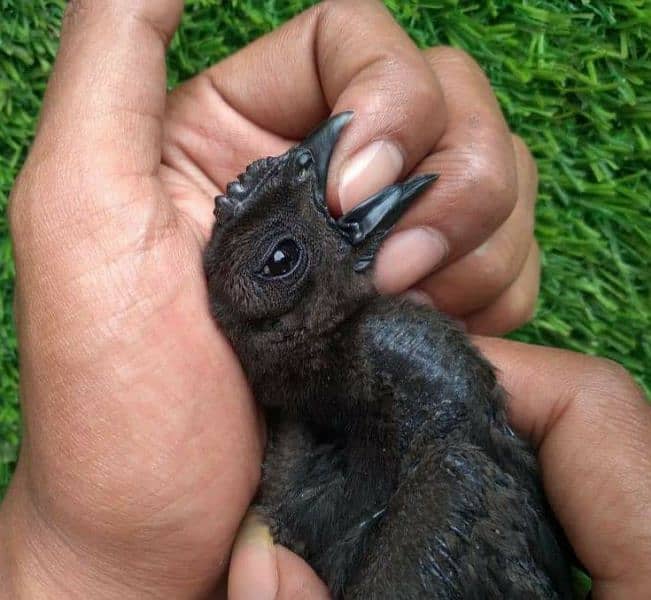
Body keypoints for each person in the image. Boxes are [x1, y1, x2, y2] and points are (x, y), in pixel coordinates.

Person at [0, 1, 648, 598]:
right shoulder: (355, 412)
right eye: (283, 260)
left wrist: (72, 570)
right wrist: (78, 564)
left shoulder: (371, 408)